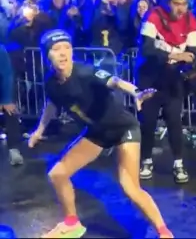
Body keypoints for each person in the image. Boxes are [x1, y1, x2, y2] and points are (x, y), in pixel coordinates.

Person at [28, 29, 173, 238]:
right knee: (58, 174)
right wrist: (38, 130)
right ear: (46, 54)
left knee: (129, 186)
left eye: (67, 48)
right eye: (56, 49)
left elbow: (114, 81)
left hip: (123, 128)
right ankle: (72, 223)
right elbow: (52, 104)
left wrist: (136, 92)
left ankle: (164, 232)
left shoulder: (85, 73)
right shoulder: (51, 81)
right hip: (97, 132)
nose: (62, 53)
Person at [137, 0, 196, 183]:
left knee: (174, 122)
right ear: (168, 2)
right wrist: (176, 55)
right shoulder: (154, 16)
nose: (180, 9)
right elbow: (147, 49)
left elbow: (193, 54)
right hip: (150, 77)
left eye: (183, 4)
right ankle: (146, 160)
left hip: (173, 80)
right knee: (148, 122)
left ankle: (178, 163)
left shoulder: (191, 21)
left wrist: (179, 59)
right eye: (175, 3)